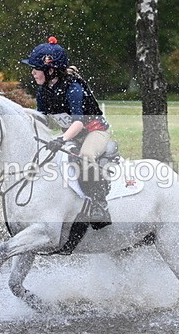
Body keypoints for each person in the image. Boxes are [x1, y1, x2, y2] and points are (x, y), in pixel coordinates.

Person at [21, 37, 112, 228]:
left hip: (94, 132)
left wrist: (61, 139)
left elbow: (79, 122)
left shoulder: (73, 88)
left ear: (50, 70)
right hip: (72, 135)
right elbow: (41, 118)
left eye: (36, 68)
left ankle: (99, 205)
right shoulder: (44, 91)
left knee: (85, 155)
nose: (33, 72)